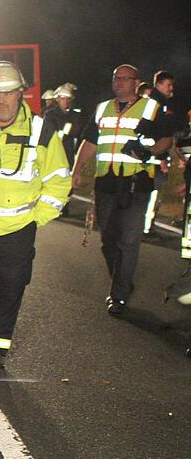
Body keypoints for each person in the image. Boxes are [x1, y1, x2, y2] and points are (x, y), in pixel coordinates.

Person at [0, 62, 71, 369]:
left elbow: (59, 179)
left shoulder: (40, 130)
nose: (1, 100)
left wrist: (37, 217)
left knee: (8, 290)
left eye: (8, 93)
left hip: (17, 225)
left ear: (20, 94)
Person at [72, 64, 173, 315]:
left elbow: (166, 139)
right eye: (116, 78)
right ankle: (122, 280)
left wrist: (148, 151)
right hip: (106, 182)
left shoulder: (151, 108)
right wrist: (76, 169)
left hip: (137, 183)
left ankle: (119, 295)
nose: (119, 83)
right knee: (108, 240)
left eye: (125, 79)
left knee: (128, 240)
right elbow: (90, 141)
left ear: (136, 82)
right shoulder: (102, 109)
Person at [142, 70, 176, 234]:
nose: (171, 88)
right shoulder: (155, 104)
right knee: (151, 195)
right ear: (159, 84)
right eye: (168, 85)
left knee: (151, 195)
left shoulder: (159, 104)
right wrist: (160, 155)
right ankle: (146, 227)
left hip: (152, 157)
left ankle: (146, 226)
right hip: (152, 159)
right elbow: (151, 132)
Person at [44, 83, 88, 177]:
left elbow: (78, 132)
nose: (66, 102)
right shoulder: (50, 115)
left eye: (68, 99)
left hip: (71, 152)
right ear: (58, 99)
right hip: (55, 152)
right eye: (63, 99)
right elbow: (49, 134)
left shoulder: (76, 115)